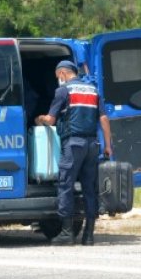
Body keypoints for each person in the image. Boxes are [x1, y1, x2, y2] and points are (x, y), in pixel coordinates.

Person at [36, 60, 112, 246]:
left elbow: (51, 119)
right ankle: (89, 235)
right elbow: (103, 118)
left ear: (62, 73)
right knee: (89, 189)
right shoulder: (93, 90)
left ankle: (67, 232)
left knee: (66, 185)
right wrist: (108, 145)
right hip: (93, 144)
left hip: (73, 144)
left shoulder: (63, 91)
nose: (58, 80)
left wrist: (39, 119)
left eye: (58, 77)